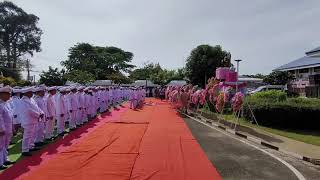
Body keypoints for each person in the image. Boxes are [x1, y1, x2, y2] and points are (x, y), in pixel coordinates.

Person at [20, 87, 43, 156]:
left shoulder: (31, 99)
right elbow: (29, 110)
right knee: (27, 135)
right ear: (26, 93)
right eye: (30, 92)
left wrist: (41, 112)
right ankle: (25, 150)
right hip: (28, 120)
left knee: (33, 134)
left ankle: (31, 146)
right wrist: (38, 114)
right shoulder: (23, 100)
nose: (32, 93)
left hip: (34, 119)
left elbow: (37, 107)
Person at [0, 86, 15, 169]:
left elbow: (10, 117)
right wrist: (1, 129)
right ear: (2, 94)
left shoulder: (6, 103)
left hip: (8, 129)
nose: (10, 95)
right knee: (0, 146)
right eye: (8, 94)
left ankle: (5, 159)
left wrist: (12, 128)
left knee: (6, 145)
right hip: (2, 130)